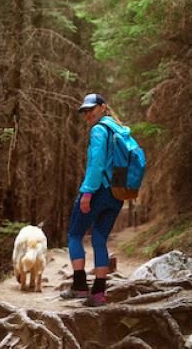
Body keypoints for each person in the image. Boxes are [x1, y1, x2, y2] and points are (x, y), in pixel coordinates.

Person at [60, 93, 127, 307]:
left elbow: (97, 165)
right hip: (116, 193)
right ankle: (98, 294)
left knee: (74, 234)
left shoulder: (99, 130)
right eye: (85, 111)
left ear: (103, 107)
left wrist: (87, 192)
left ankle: (80, 286)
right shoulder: (119, 130)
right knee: (99, 240)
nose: (88, 114)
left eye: (92, 109)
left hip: (97, 191)